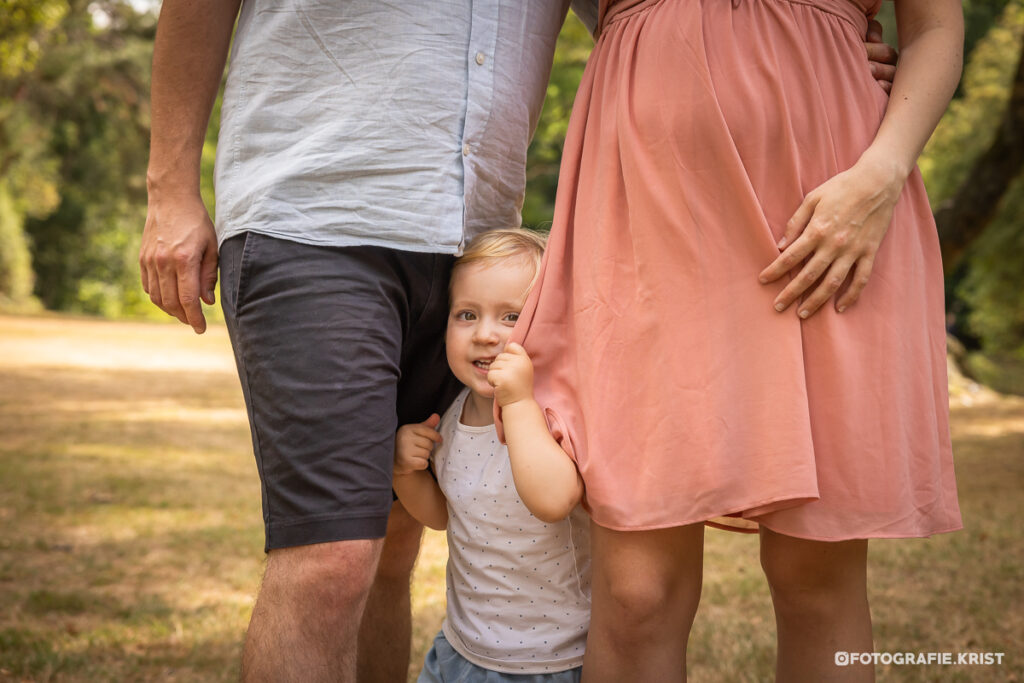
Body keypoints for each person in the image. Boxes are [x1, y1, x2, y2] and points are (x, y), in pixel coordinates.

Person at [137, 0, 899, 679]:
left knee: (397, 543)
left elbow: (650, 23)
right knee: (330, 557)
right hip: (318, 216)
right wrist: (170, 188)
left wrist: (803, 45)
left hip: (471, 247)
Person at [505, 0, 963, 680]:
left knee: (816, 577)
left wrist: (881, 169)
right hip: (646, 193)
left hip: (830, 207)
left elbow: (936, 27)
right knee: (637, 593)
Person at [392, 229, 588, 682]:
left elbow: (554, 500)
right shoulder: (454, 414)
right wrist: (405, 472)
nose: (484, 335)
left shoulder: (552, 415)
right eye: (466, 315)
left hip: (550, 661)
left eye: (511, 317)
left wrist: (518, 402)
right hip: (462, 648)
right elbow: (446, 515)